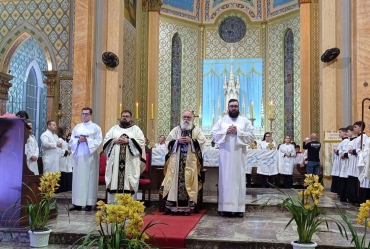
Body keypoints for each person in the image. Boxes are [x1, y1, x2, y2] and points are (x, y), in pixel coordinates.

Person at [211, 99, 255, 217]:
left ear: (238, 107)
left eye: (235, 106)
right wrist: (226, 131)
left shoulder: (245, 121)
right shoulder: (221, 121)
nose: (234, 108)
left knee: (239, 180)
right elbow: (214, 135)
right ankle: (224, 207)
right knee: (225, 180)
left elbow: (251, 137)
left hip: (239, 156)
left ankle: (239, 208)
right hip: (225, 156)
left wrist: (238, 132)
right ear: (228, 107)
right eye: (231, 106)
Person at [161, 110, 205, 215]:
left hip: (190, 164)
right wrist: (177, 141)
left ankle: (186, 208)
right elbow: (167, 142)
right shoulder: (176, 130)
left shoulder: (197, 131)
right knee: (173, 183)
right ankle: (171, 206)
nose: (186, 119)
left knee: (188, 183)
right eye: (184, 117)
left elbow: (202, 143)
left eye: (188, 117)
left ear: (193, 118)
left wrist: (192, 141)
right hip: (175, 163)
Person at [103, 110, 146, 204]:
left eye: (127, 116)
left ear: (131, 118)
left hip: (130, 163)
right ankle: (113, 208)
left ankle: (129, 208)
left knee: (129, 184)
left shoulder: (136, 129)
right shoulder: (114, 129)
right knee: (115, 183)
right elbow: (106, 140)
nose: (124, 118)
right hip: (115, 165)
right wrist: (114, 141)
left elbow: (141, 142)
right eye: (123, 116)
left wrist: (128, 141)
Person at [69, 107, 102, 211]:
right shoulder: (77, 127)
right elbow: (71, 140)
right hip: (79, 156)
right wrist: (78, 140)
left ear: (91, 115)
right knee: (78, 179)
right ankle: (77, 203)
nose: (84, 116)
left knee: (89, 178)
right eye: (83, 114)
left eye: (86, 114)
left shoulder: (96, 128)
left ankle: (89, 203)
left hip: (90, 156)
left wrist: (87, 140)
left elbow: (98, 141)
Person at [346, 121, 368, 206]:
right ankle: (352, 197)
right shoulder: (357, 138)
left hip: (358, 161)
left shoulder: (364, 137)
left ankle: (357, 198)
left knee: (356, 180)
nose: (354, 129)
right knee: (352, 179)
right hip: (353, 161)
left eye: (355, 127)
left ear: (360, 127)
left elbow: (363, 150)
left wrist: (354, 151)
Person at [331, 128, 346, 194]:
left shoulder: (345, 141)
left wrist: (337, 151)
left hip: (342, 162)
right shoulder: (342, 142)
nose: (339, 134)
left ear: (344, 132)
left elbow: (343, 152)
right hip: (338, 161)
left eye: (340, 132)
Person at [57, 127, 72, 192]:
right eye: (66, 131)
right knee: (63, 172)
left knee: (67, 171)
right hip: (62, 159)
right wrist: (66, 151)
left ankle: (67, 188)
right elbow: (59, 150)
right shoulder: (60, 140)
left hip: (67, 159)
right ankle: (62, 189)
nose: (67, 133)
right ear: (63, 132)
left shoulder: (66, 140)